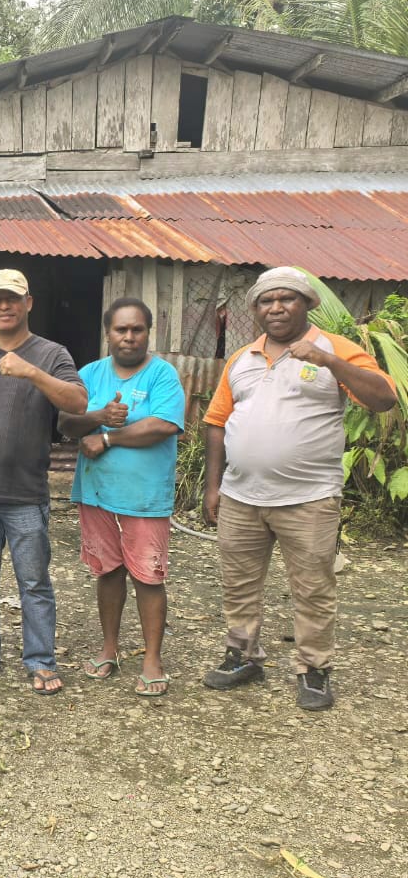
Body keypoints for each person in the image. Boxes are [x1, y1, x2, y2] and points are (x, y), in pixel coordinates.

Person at [202, 267, 395, 711]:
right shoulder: (242, 358)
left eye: (286, 299)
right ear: (255, 309)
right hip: (241, 496)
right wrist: (213, 487)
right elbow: (216, 422)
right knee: (238, 584)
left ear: (308, 303)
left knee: (312, 587)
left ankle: (314, 669)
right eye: (266, 301)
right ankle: (243, 656)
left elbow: (384, 398)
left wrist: (329, 362)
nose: (276, 308)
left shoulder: (334, 349)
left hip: (308, 498)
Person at [0, 269, 87, 696]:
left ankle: (40, 659)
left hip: (26, 495)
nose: (4, 306)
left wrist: (32, 373)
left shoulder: (51, 354)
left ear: (28, 303)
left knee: (34, 582)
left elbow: (78, 404)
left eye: (13, 298)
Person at [58, 298, 185, 697]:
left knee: (148, 575)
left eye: (137, 330)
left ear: (148, 333)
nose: (129, 337)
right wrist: (97, 419)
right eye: (121, 330)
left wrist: (108, 438)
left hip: (145, 498)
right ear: (107, 333)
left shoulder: (162, 376)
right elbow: (66, 422)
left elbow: (163, 425)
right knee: (107, 571)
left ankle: (152, 659)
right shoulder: (90, 375)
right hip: (96, 493)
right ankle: (109, 648)